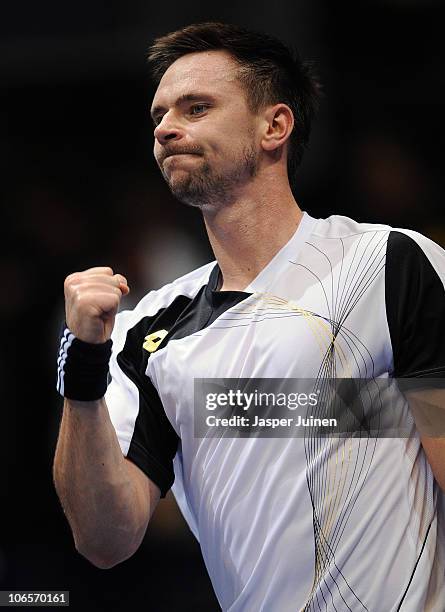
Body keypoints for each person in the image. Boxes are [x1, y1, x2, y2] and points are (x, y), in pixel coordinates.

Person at [53, 22, 445, 611]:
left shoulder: (389, 263)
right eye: (159, 114)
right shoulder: (147, 332)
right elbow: (105, 540)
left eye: (197, 106)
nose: (165, 128)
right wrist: (82, 376)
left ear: (275, 126)